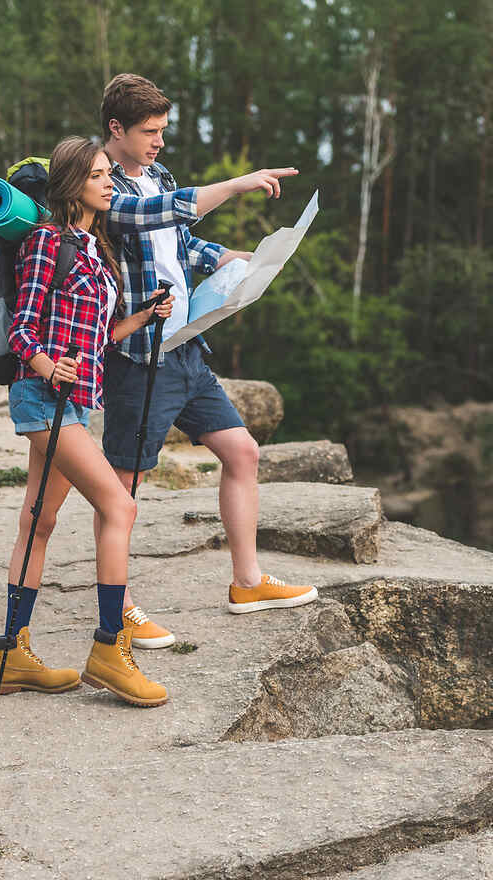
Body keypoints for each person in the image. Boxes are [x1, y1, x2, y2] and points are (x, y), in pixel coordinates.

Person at [97, 72, 318, 647]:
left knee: (242, 452)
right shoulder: (101, 187)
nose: (159, 143)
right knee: (123, 488)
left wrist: (233, 259)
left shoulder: (158, 175)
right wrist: (239, 184)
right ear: (115, 129)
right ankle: (116, 608)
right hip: (139, 357)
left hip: (186, 345)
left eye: (164, 131)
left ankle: (247, 581)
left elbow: (180, 240)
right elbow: (159, 215)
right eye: (149, 132)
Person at [0, 136, 176, 707]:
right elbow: (21, 332)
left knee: (39, 522)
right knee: (119, 506)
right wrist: (51, 367)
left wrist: (145, 316)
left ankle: (13, 653)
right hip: (42, 398)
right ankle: (107, 648)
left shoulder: (95, 251)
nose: (107, 182)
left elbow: (96, 338)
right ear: (73, 184)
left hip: (72, 401)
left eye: (107, 173)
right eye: (98, 174)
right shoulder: (47, 243)